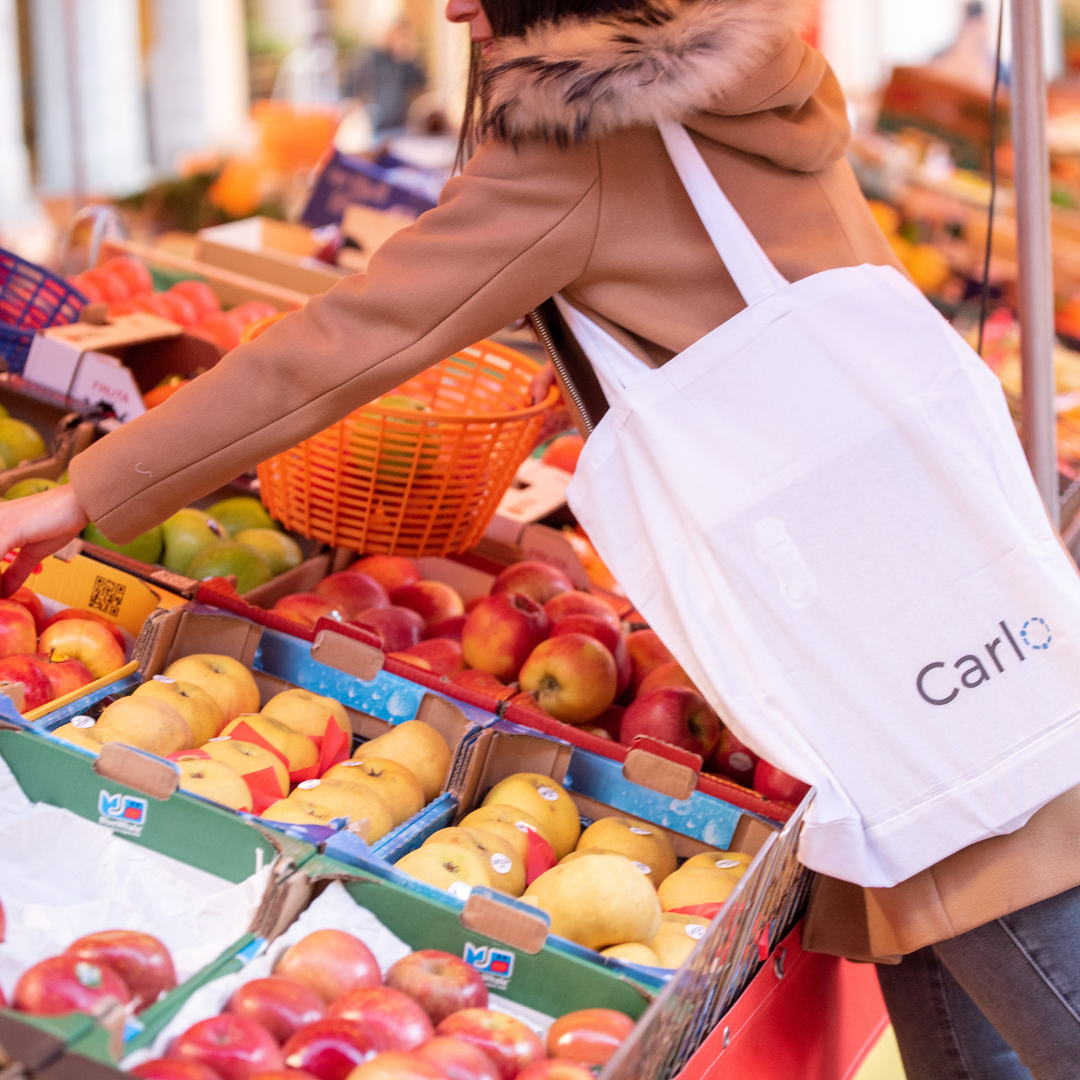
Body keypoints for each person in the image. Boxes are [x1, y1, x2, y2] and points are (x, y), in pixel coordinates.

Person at [4, 1, 1076, 1075]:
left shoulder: (581, 139)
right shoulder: (757, 80)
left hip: (850, 635)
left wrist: (76, 495)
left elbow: (343, 342)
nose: (453, 3)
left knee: (1013, 912)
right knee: (965, 952)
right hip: (938, 577)